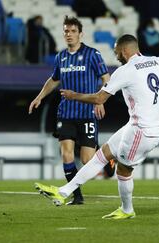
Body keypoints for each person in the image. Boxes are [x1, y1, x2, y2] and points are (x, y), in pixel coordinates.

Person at [34, 34, 159, 219]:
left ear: (124, 50)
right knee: (102, 155)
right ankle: (63, 192)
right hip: (135, 126)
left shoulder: (125, 71)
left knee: (123, 171)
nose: (116, 55)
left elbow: (99, 98)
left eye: (116, 51)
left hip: (142, 131)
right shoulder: (158, 61)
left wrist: (73, 95)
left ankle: (127, 210)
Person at [28, 16, 111, 205]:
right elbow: (54, 80)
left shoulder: (93, 54)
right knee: (66, 154)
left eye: (73, 31)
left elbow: (107, 78)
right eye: (66, 31)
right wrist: (39, 97)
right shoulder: (61, 57)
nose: (69, 34)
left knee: (88, 161)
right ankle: (77, 195)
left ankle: (108, 159)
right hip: (66, 113)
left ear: (81, 34)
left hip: (88, 113)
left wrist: (100, 100)